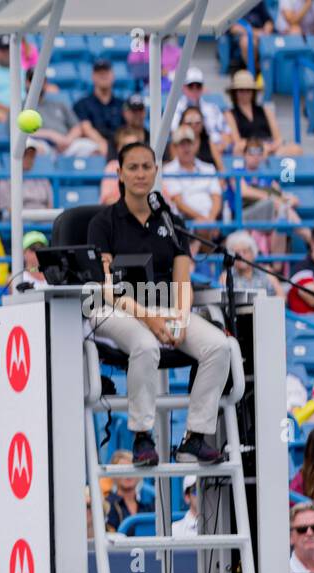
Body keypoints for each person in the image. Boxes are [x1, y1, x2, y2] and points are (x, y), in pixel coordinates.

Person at [86, 140, 232, 466]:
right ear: (120, 174)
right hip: (114, 309)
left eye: (147, 167)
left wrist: (180, 317)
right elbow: (107, 288)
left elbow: (183, 279)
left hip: (165, 306)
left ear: (156, 171)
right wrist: (150, 320)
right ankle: (142, 437)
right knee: (146, 345)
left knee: (219, 347)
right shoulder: (103, 222)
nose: (140, 174)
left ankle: (194, 437)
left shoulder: (170, 220)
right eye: (133, 167)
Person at [236, 139, 308, 256]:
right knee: (279, 206)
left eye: (258, 153)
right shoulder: (237, 173)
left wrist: (291, 199)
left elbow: (281, 194)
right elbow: (244, 191)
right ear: (244, 155)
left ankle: (276, 267)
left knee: (281, 219)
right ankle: (309, 237)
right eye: (251, 152)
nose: (255, 156)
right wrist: (271, 197)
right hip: (246, 215)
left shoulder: (267, 176)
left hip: (269, 215)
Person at [170, 67, 230, 152]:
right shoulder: (175, 108)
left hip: (213, 150)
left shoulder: (212, 108)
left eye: (198, 86)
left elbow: (226, 131)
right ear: (183, 87)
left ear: (202, 88)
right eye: (191, 86)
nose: (195, 89)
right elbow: (174, 132)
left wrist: (222, 146)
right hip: (185, 149)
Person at [74, 59, 126, 147]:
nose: (103, 76)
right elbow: (85, 128)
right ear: (93, 76)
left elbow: (127, 129)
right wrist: (105, 145)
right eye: (99, 73)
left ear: (113, 76)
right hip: (94, 145)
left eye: (106, 72)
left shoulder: (122, 104)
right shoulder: (82, 104)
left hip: (119, 144)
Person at [102, 449, 154, 533]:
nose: (128, 474)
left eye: (132, 469)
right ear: (113, 475)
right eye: (122, 469)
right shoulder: (106, 506)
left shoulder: (150, 507)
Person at [223, 230, 284, 298]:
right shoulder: (226, 276)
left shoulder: (266, 272)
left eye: (245, 251)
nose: (241, 256)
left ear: (253, 253)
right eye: (237, 253)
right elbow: (223, 300)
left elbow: (282, 297)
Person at [0, 144, 53, 214]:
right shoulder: (5, 181)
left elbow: (50, 205)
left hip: (42, 217)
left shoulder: (43, 178)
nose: (29, 159)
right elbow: (7, 209)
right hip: (19, 218)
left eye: (31, 156)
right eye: (25, 155)